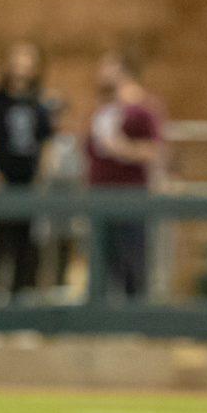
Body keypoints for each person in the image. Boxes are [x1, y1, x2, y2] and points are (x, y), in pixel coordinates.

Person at [0, 40, 55, 299]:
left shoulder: (39, 104)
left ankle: (21, 306)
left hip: (28, 185)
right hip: (0, 183)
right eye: (17, 58)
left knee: (26, 246)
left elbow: (48, 142)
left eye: (27, 59)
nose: (21, 65)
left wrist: (43, 176)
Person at [85, 50, 163, 298]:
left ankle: (135, 310)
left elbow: (154, 150)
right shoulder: (103, 109)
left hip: (130, 193)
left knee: (132, 255)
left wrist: (122, 148)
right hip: (99, 190)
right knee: (103, 255)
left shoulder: (142, 110)